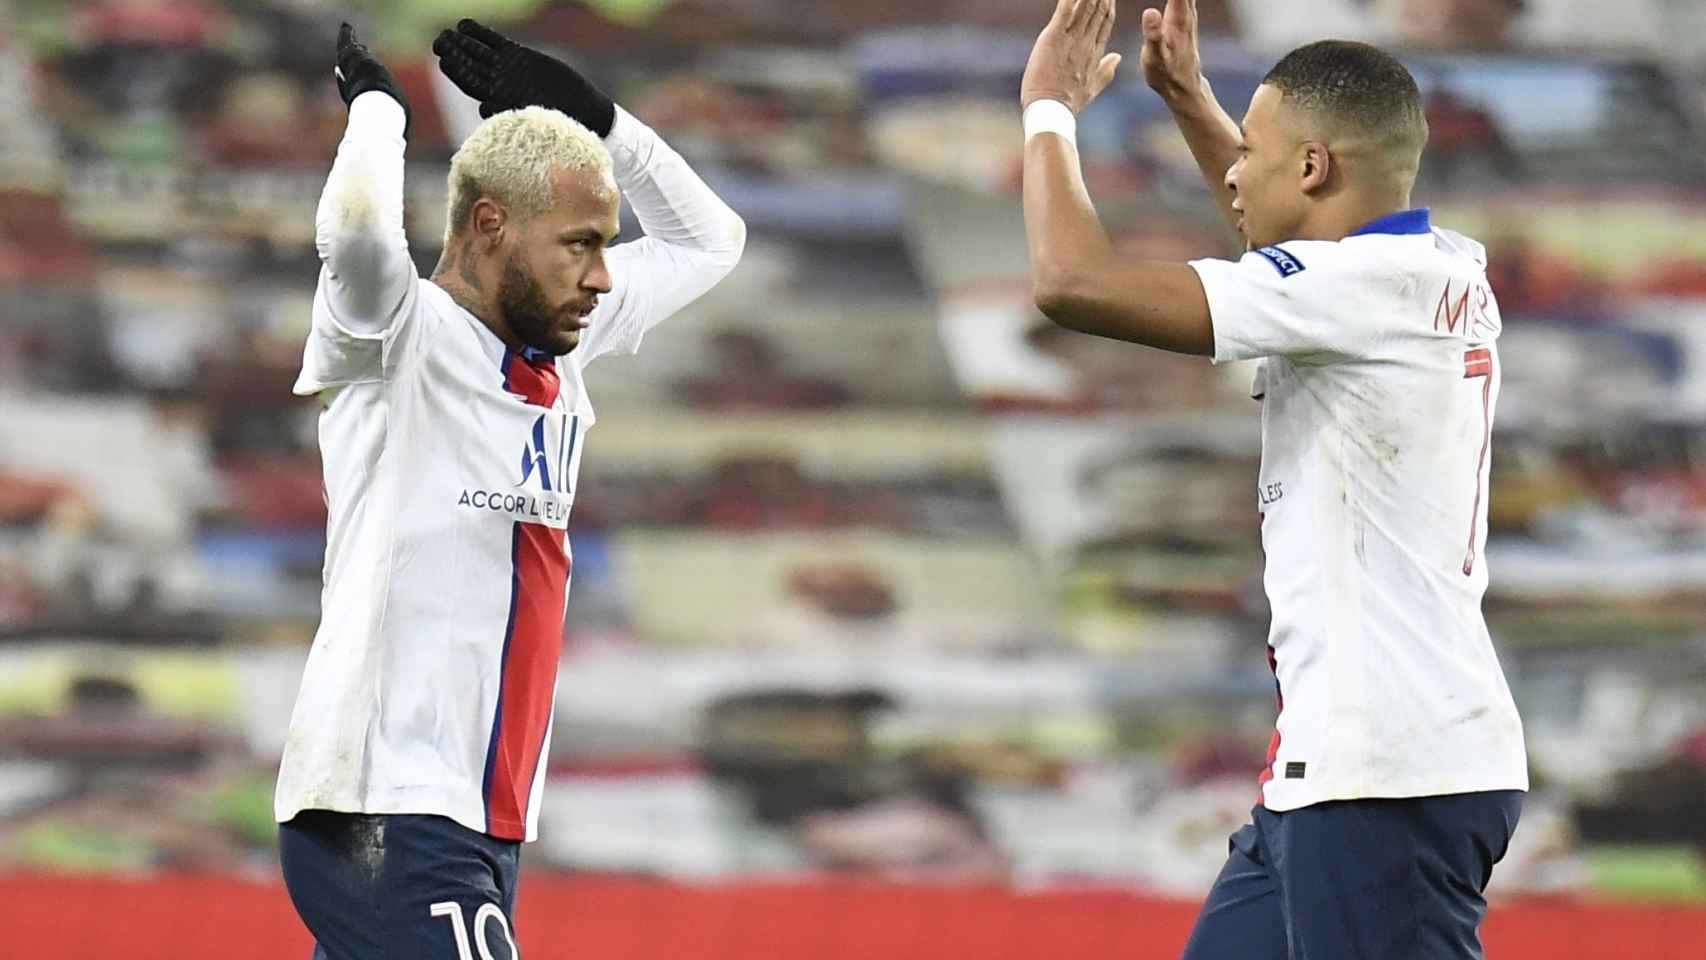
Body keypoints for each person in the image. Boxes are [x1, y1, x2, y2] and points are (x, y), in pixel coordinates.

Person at [1019, 1, 1526, 957]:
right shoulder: (1438, 265)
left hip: (1390, 773)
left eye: (1252, 150)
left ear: (1312, 166)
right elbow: (1290, 241)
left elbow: (1071, 282)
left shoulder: (1360, 292)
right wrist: (1194, 103)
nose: (1233, 173)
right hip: (1338, 772)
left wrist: (1047, 111)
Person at [274, 21, 744, 960]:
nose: (603, 275)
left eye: (606, 245)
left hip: (484, 815)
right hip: (387, 802)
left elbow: (712, 239)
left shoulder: (563, 348)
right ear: (490, 225)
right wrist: (378, 112)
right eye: (579, 244)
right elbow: (361, 232)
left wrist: (604, 123)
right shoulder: (393, 336)